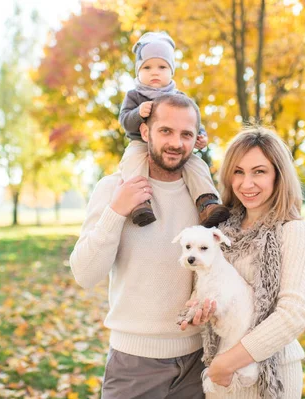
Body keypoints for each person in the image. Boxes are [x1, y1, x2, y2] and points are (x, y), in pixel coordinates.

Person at [70, 94, 216, 398]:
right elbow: (84, 274)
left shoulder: (206, 199)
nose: (176, 142)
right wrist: (116, 211)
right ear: (146, 131)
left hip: (197, 363)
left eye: (186, 134)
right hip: (133, 365)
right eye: (166, 131)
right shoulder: (114, 188)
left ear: (197, 139)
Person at [185, 126, 305, 398]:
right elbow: (211, 286)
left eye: (259, 171)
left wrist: (229, 362)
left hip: (271, 374)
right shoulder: (221, 231)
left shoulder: (292, 230)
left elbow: (295, 313)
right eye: (238, 172)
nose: (247, 183)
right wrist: (200, 307)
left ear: (278, 175)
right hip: (221, 375)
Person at [119, 31, 229, 228]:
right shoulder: (134, 95)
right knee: (133, 164)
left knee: (197, 165)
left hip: (168, 149)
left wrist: (201, 135)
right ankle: (140, 203)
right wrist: (137, 113)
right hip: (139, 143)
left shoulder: (178, 97)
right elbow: (125, 121)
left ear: (171, 71)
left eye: (162, 67)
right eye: (147, 67)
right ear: (138, 71)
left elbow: (191, 121)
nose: (154, 72)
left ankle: (206, 202)